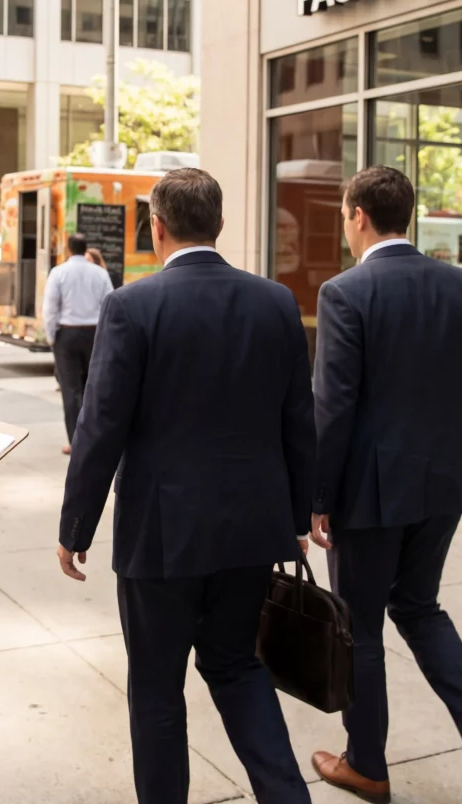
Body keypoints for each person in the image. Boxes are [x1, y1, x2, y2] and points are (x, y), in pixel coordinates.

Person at [57, 168, 313, 804]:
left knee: (156, 690)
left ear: (156, 227)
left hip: (160, 538)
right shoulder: (276, 301)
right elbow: (299, 422)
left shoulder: (133, 305)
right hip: (253, 530)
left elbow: (100, 427)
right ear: (220, 226)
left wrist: (75, 527)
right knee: (236, 666)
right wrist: (299, 517)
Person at [310, 166, 462, 804]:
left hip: (370, 495)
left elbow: (333, 408)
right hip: (443, 484)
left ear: (360, 217)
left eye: (345, 216)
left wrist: (319, 497)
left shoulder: (346, 292)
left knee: (360, 626)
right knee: (419, 606)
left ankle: (367, 765)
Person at [42, 232, 114, 455]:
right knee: (94, 387)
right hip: (94, 333)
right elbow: (110, 304)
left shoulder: (59, 272)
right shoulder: (100, 273)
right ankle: (95, 438)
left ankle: (76, 442)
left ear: (68, 249)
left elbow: (50, 308)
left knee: (71, 390)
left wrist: (51, 336)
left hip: (68, 334)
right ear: (85, 249)